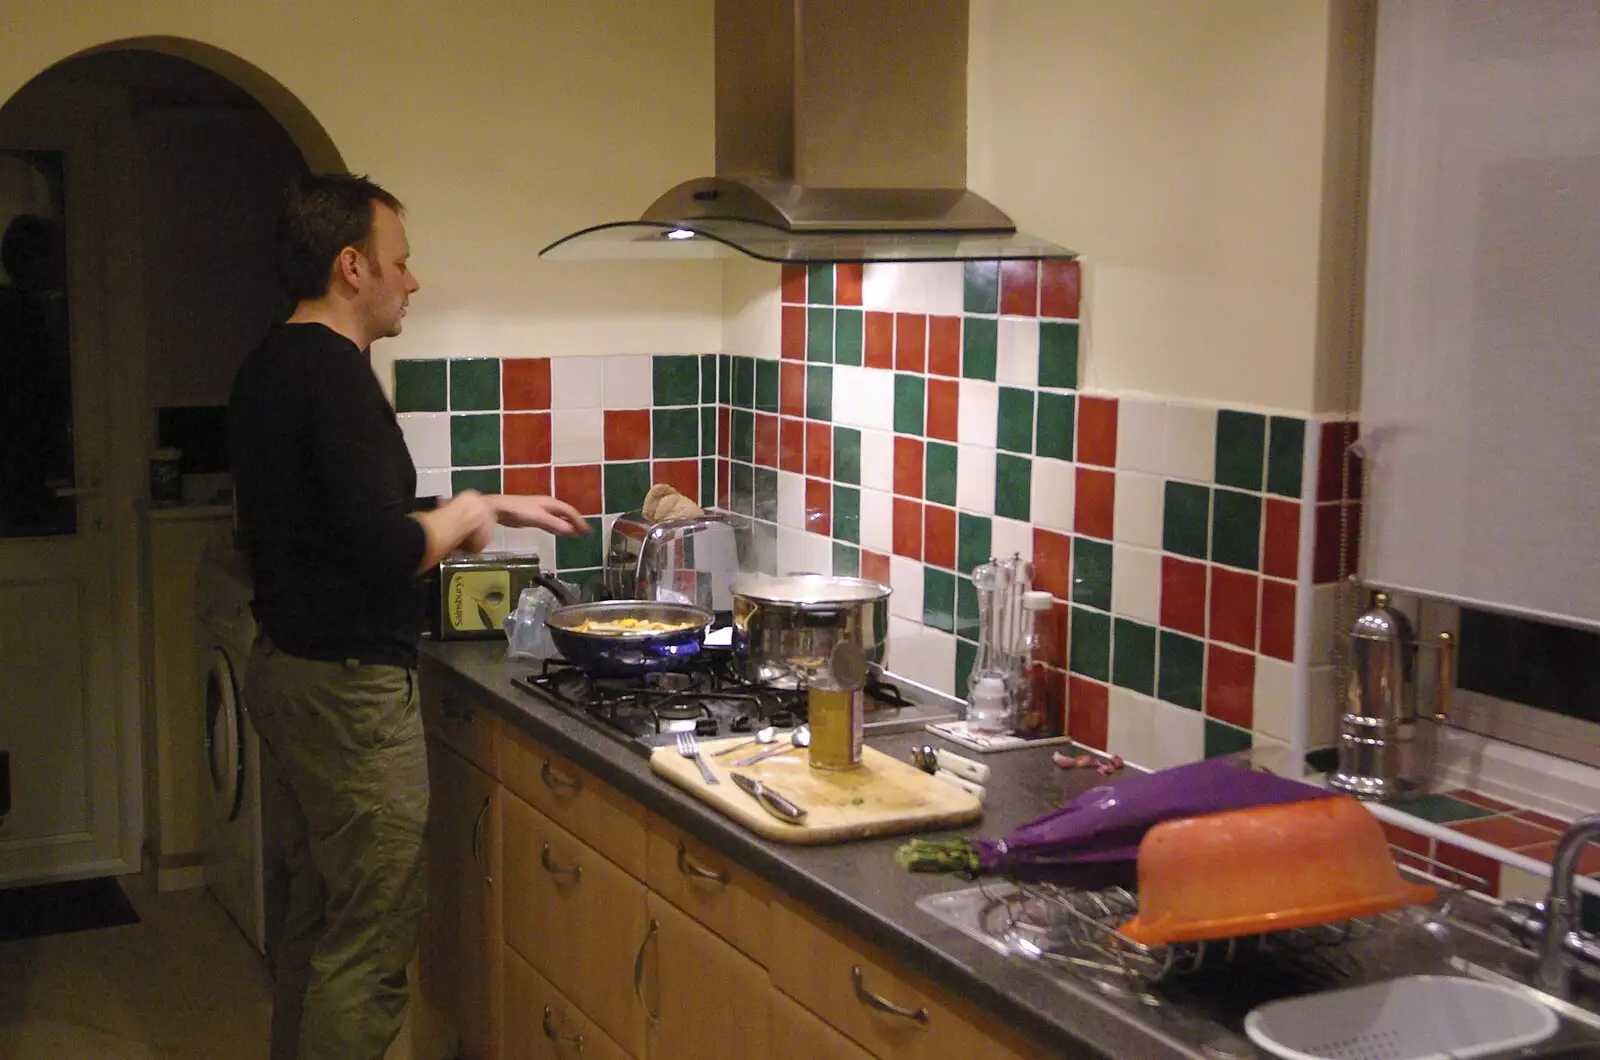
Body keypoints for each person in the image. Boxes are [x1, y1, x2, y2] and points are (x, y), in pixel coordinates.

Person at [228, 172, 587, 1060]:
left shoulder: (270, 364)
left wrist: (484, 505)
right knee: (371, 947)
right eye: (401, 261)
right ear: (353, 267)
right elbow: (379, 548)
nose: (412, 281)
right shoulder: (337, 377)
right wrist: (458, 519)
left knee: (320, 920)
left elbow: (340, 515)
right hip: (349, 695)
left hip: (290, 671)